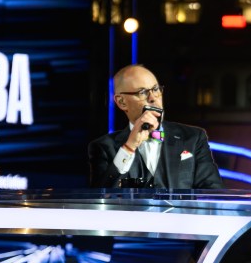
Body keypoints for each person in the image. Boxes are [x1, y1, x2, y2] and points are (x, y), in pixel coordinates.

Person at [88, 64, 223, 189]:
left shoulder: (193, 138)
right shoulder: (103, 147)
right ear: (122, 102)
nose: (153, 98)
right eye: (142, 92)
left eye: (156, 89)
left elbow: (213, 193)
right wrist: (129, 147)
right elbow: (101, 196)